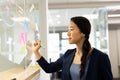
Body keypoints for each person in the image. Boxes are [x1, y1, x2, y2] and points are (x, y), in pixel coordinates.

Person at [33, 16, 113, 80]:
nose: (68, 33)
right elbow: (49, 68)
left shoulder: (101, 57)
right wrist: (36, 52)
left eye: (71, 29)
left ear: (83, 33)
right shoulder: (68, 54)